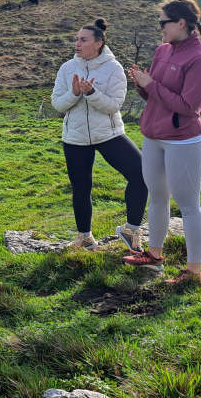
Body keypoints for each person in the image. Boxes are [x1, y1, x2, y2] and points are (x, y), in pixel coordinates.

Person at [124, 0, 201, 285]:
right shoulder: (162, 51)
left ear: (181, 23)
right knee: (157, 197)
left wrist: (150, 84)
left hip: (182, 140)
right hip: (153, 135)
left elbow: (187, 106)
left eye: (163, 22)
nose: (159, 28)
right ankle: (154, 257)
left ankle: (194, 271)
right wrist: (142, 85)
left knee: (189, 205)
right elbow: (157, 96)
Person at [51, 17, 147, 252]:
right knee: (81, 188)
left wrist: (91, 92)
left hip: (109, 134)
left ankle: (131, 229)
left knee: (142, 174)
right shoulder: (67, 68)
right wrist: (74, 93)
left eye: (83, 40)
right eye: (76, 39)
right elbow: (57, 104)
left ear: (98, 43)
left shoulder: (113, 69)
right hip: (75, 137)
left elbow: (113, 105)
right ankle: (84, 238)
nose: (77, 44)